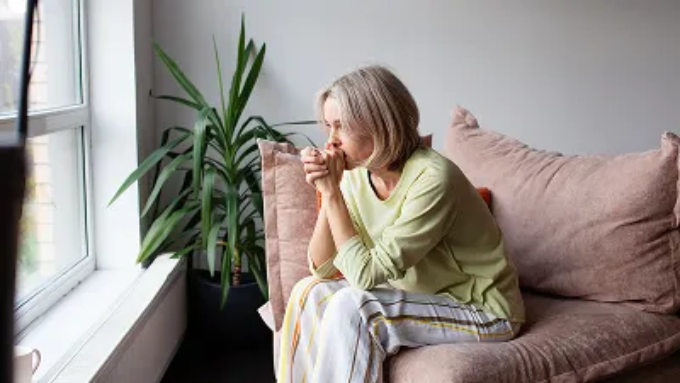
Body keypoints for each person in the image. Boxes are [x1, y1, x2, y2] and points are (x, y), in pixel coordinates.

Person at [277, 65, 525, 383]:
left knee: (357, 307)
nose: (331, 141)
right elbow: (322, 269)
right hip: (425, 295)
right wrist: (332, 189)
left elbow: (365, 277)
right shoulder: (355, 176)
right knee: (308, 292)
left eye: (342, 127)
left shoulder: (433, 178)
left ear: (381, 124)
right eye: (328, 127)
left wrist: (332, 193)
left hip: (483, 309)